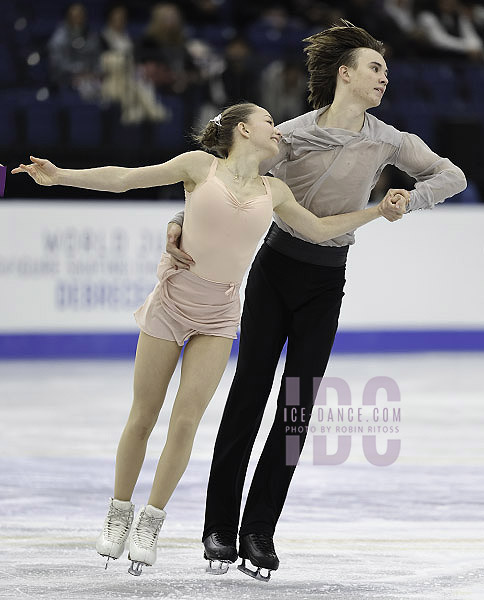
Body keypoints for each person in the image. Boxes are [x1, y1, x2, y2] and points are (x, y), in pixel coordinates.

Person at [11, 102, 405, 577]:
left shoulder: (274, 190)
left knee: (186, 422)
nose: (275, 129)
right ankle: (119, 512)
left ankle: (150, 522)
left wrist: (375, 212)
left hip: (219, 315)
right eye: (268, 122)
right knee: (143, 415)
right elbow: (125, 178)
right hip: (173, 303)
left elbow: (319, 229)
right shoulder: (200, 168)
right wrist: (61, 177)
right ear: (244, 129)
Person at [166, 21, 467, 582]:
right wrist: (183, 221)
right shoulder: (293, 134)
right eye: (374, 68)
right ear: (344, 74)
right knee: (249, 394)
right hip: (276, 271)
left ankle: (259, 531)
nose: (384, 77)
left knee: (295, 411)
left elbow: (453, 175)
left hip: (326, 283)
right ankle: (218, 526)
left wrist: (408, 197)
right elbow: (231, 182)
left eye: (386, 70)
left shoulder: (389, 140)